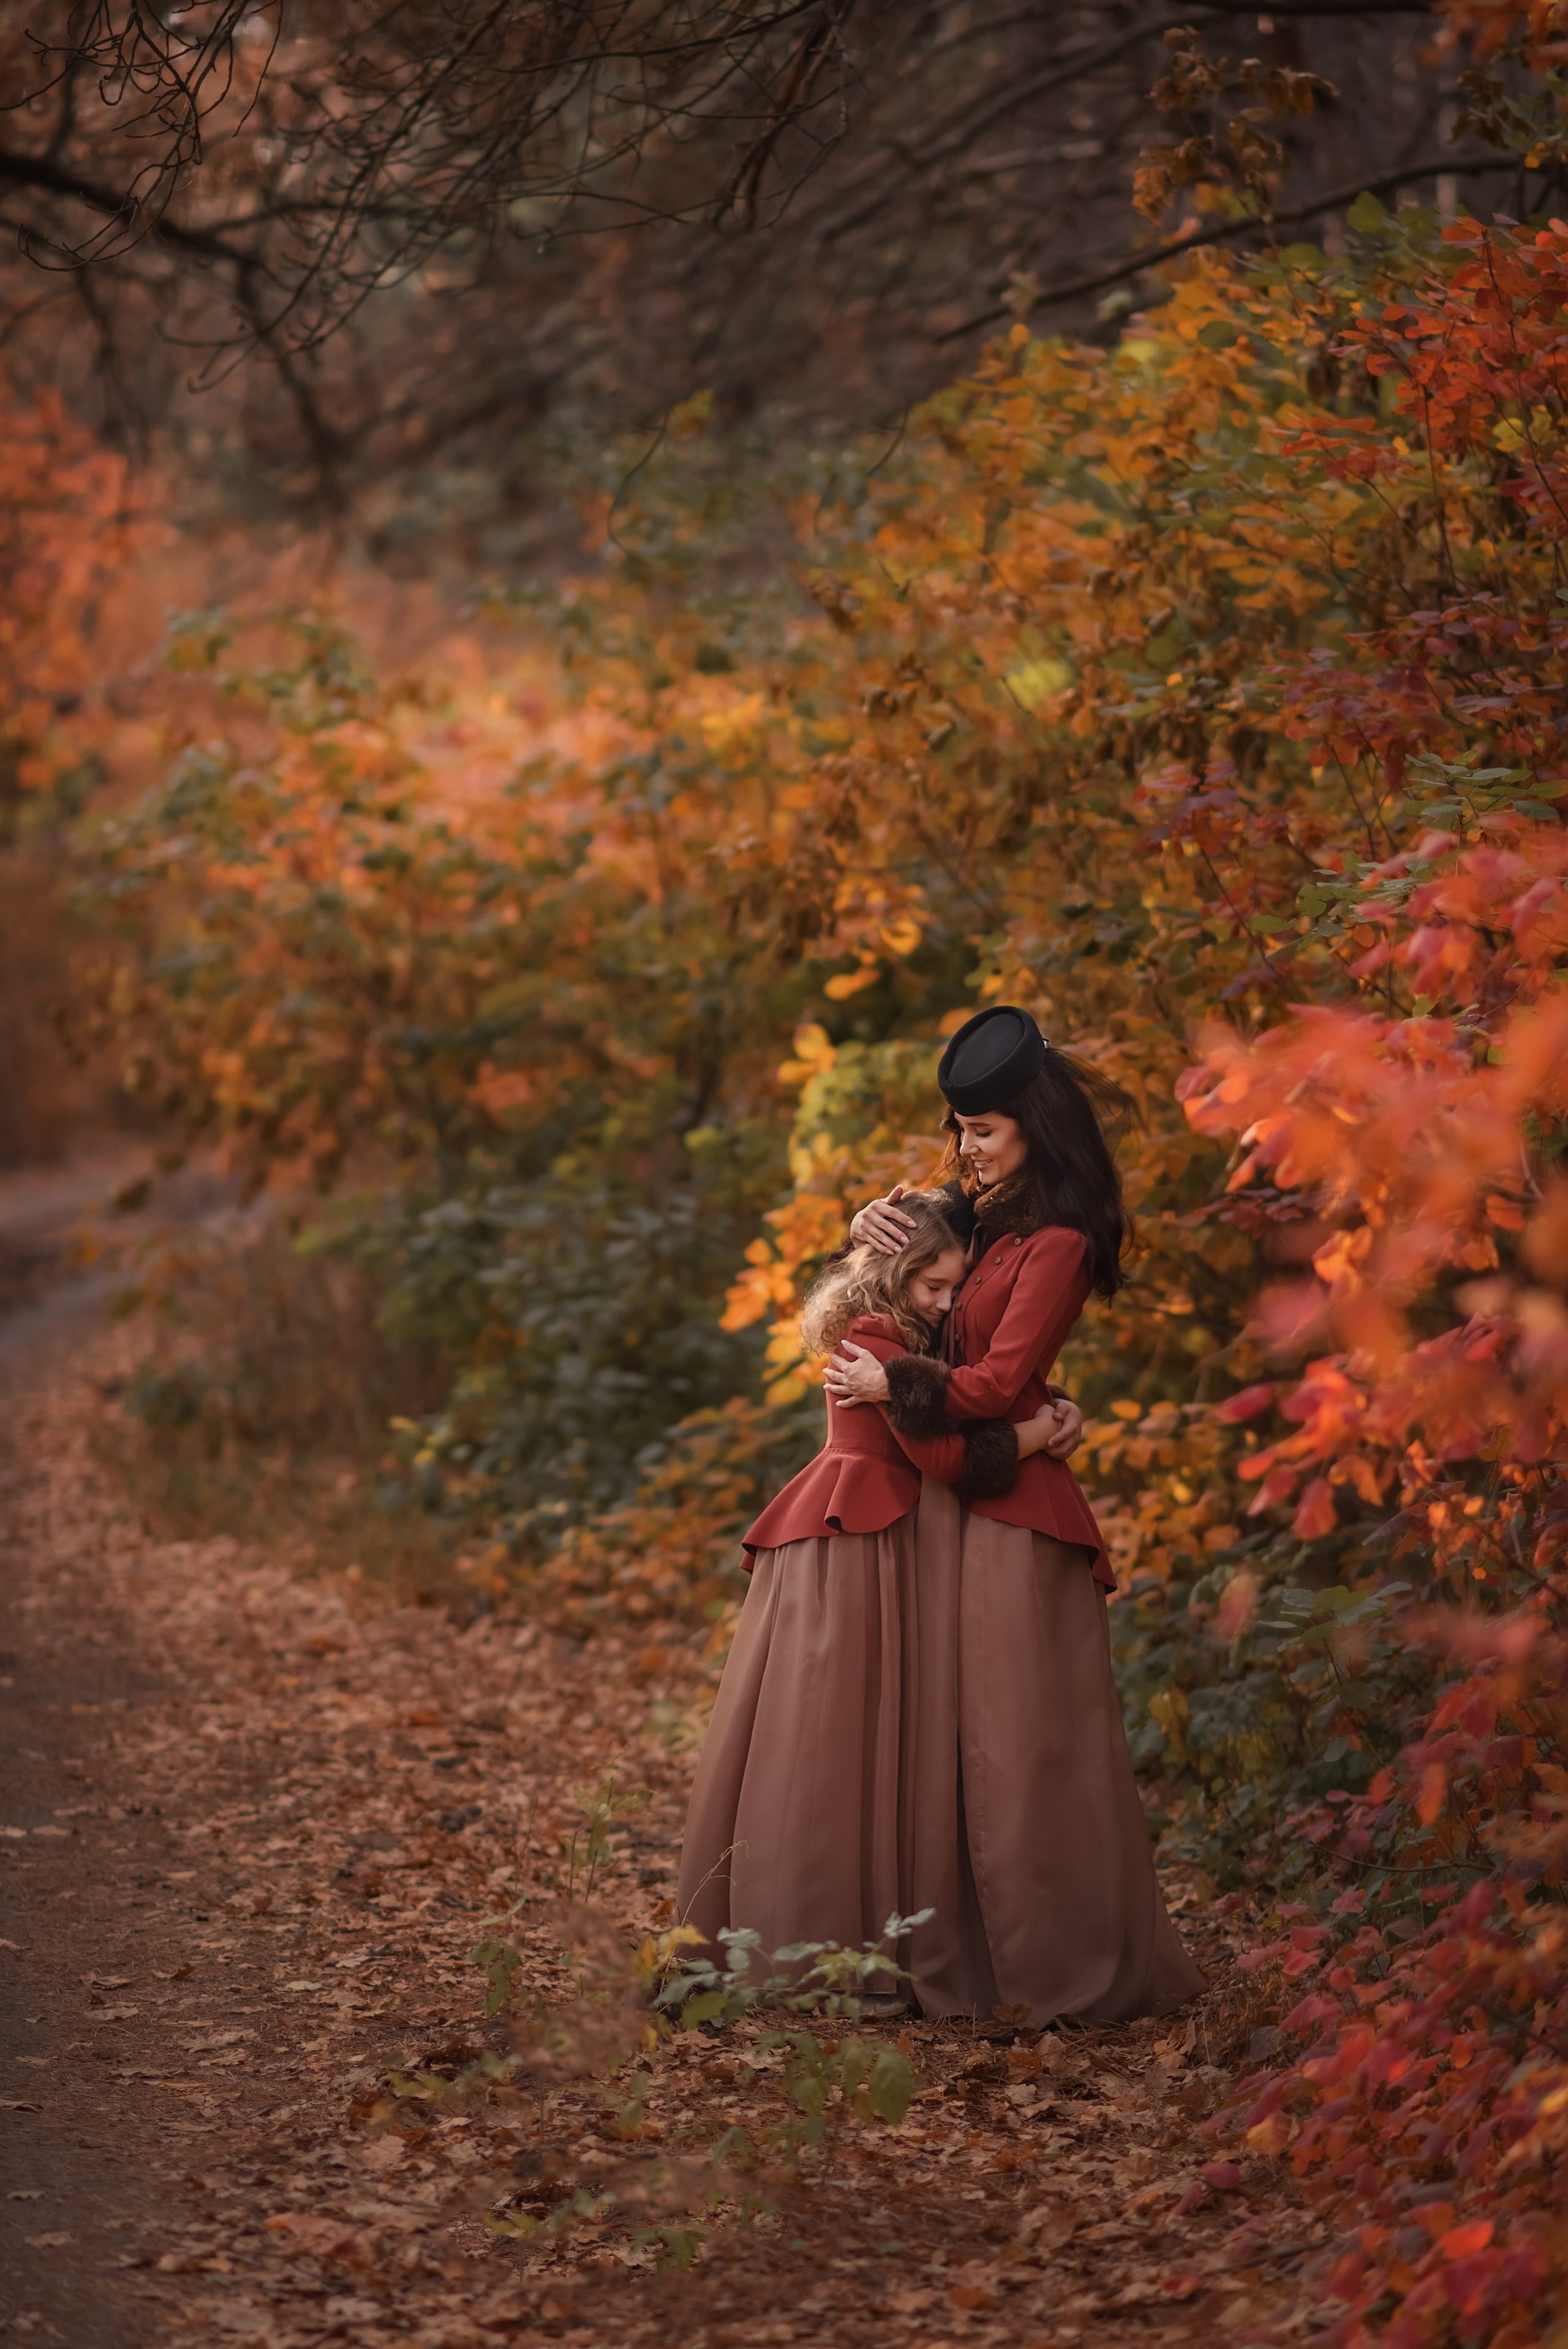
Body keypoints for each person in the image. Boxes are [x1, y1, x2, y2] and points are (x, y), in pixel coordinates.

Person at [824, 1004, 1205, 2024]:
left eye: (982, 1131)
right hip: (949, 1496)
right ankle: (964, 1967)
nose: (964, 1150)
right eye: (959, 1131)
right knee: (951, 1747)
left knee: (1021, 1750)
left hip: (1016, 1509)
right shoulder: (975, 1214)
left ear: (1034, 1124)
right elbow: (899, 1282)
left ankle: (1057, 1973)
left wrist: (887, 1382)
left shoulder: (1062, 1242)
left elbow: (992, 1387)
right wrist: (864, 1226)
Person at [677, 1189, 1078, 1996]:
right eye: (933, 1285)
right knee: (839, 1736)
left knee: (870, 1738)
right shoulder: (877, 1343)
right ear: (896, 1273)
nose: (945, 1302)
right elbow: (936, 1458)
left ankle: (856, 1932)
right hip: (861, 1540)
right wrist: (1044, 1431)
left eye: (951, 1287)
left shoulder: (894, 1337)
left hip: (882, 1539)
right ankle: (813, 1942)